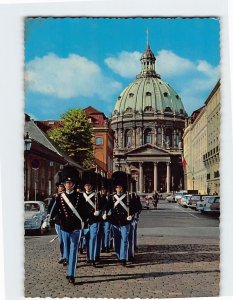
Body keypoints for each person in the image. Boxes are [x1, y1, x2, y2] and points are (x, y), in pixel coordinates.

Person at [53, 168, 88, 285]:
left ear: (74, 184)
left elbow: (84, 212)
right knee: (66, 249)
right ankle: (68, 265)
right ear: (64, 184)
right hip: (64, 227)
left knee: (74, 251)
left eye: (70, 183)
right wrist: (49, 220)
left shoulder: (80, 196)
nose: (68, 185)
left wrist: (86, 224)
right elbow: (54, 211)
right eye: (66, 183)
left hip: (76, 228)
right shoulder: (59, 197)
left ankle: (71, 274)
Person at [103, 171, 135, 267]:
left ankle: (123, 258)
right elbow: (107, 206)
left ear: (123, 187)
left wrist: (131, 215)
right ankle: (118, 255)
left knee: (125, 239)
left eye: (120, 187)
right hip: (115, 220)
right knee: (117, 239)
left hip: (125, 220)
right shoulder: (112, 197)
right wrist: (105, 213)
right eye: (117, 187)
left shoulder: (128, 197)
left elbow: (135, 207)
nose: (118, 189)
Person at [82, 170, 104, 267]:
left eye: (89, 185)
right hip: (85, 220)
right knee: (87, 238)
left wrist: (99, 211)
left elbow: (103, 205)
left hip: (95, 219)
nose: (88, 187)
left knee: (93, 238)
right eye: (86, 185)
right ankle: (88, 257)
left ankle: (93, 258)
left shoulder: (97, 195)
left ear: (92, 186)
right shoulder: (81, 196)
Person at [47, 181, 65, 264]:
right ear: (58, 187)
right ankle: (62, 256)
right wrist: (48, 218)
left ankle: (66, 256)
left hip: (66, 221)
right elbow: (50, 209)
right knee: (61, 240)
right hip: (58, 221)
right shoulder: (54, 197)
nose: (61, 188)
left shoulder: (66, 196)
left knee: (65, 240)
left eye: (62, 186)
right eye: (60, 186)